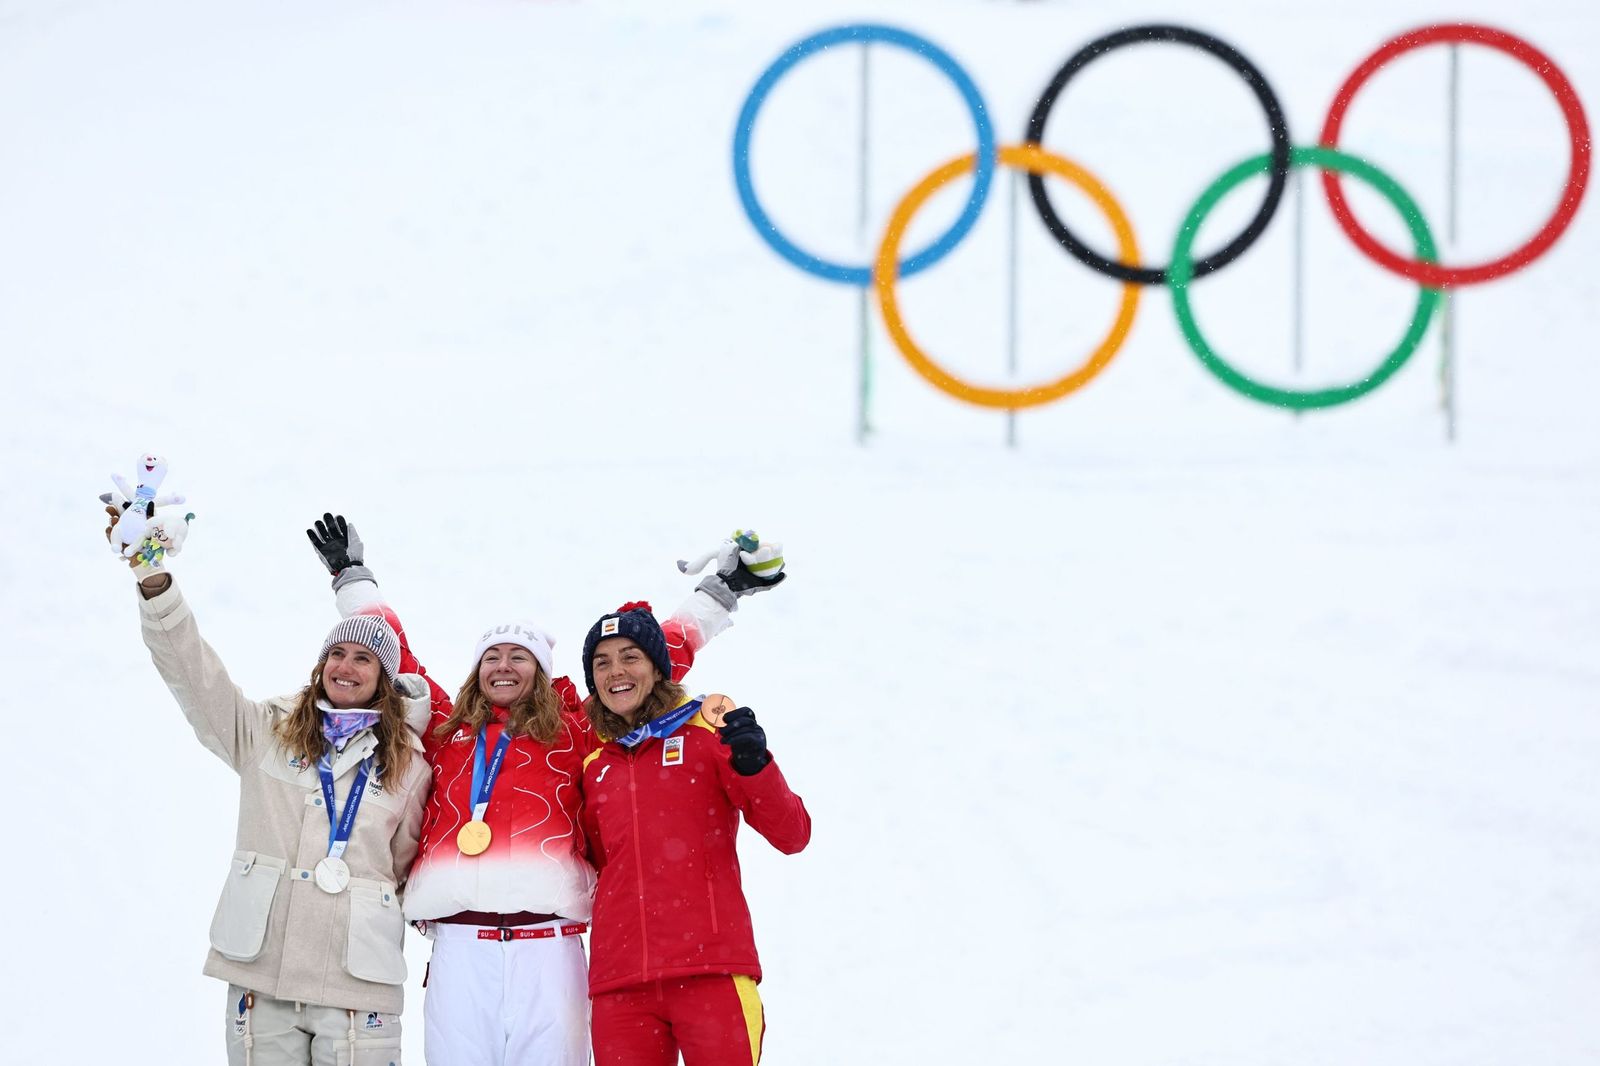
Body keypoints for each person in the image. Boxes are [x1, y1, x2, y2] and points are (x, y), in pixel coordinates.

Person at [304, 515, 785, 1066]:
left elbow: (654, 656)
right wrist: (351, 575)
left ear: (542, 670)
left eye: (520, 656)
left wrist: (716, 597)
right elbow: (394, 652)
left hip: (550, 947)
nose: (504, 665)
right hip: (460, 949)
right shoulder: (445, 727)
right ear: (476, 670)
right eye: (492, 656)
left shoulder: (578, 729)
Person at [115, 508, 432, 1066]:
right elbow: (194, 674)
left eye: (363, 658)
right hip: (264, 976)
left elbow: (405, 867)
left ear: (383, 678)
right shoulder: (268, 732)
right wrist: (154, 582)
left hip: (357, 986)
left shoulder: (409, 767)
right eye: (336, 653)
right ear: (320, 665)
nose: (346, 666)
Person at [579, 602, 811, 1066]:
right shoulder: (592, 763)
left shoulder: (707, 735)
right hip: (620, 983)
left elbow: (792, 833)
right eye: (601, 663)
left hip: (711, 970)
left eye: (630, 656)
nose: (615, 672)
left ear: (657, 668)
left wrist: (754, 765)